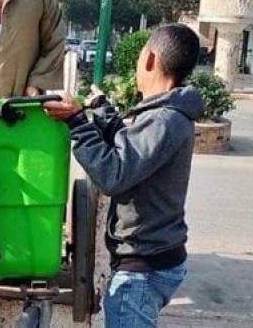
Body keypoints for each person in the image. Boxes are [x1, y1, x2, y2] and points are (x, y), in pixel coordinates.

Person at [43, 24, 204, 328]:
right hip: (152, 260)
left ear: (150, 60)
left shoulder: (165, 120)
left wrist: (78, 123)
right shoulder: (163, 115)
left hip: (143, 268)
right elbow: (134, 154)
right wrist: (105, 115)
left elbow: (114, 174)